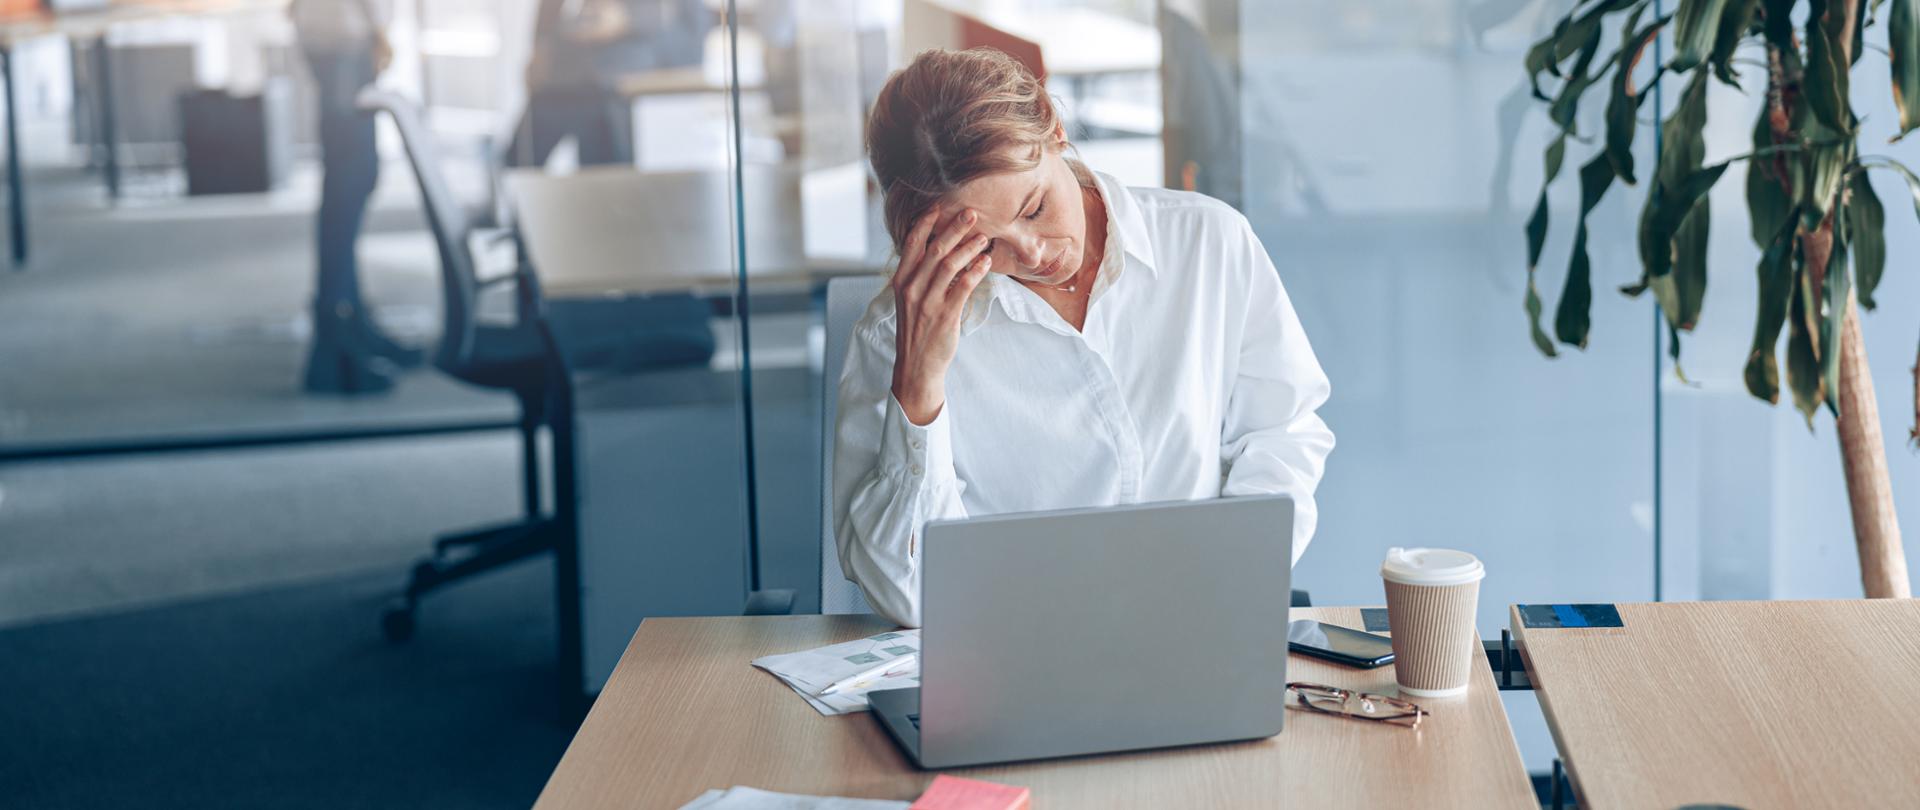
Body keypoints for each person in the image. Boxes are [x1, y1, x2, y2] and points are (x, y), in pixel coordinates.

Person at [832, 48, 1336, 628]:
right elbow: (909, 595)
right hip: (1010, 651)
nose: (1033, 253)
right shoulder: (893, 337)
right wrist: (918, 386)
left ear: (1055, 128)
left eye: (1035, 206)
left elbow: (1283, 432)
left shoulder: (1209, 244)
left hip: (1197, 630)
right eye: (981, 245)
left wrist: (1233, 573)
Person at [292, 0, 423, 394]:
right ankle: (335, 340)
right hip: (343, 34)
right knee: (350, 180)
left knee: (352, 177)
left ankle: (350, 319)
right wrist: (380, 25)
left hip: (332, 30)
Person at [508, 0, 709, 168]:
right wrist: (540, 46)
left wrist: (626, 18)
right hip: (564, 75)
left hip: (620, 83)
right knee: (514, 164)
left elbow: (688, 21)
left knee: (604, 183)